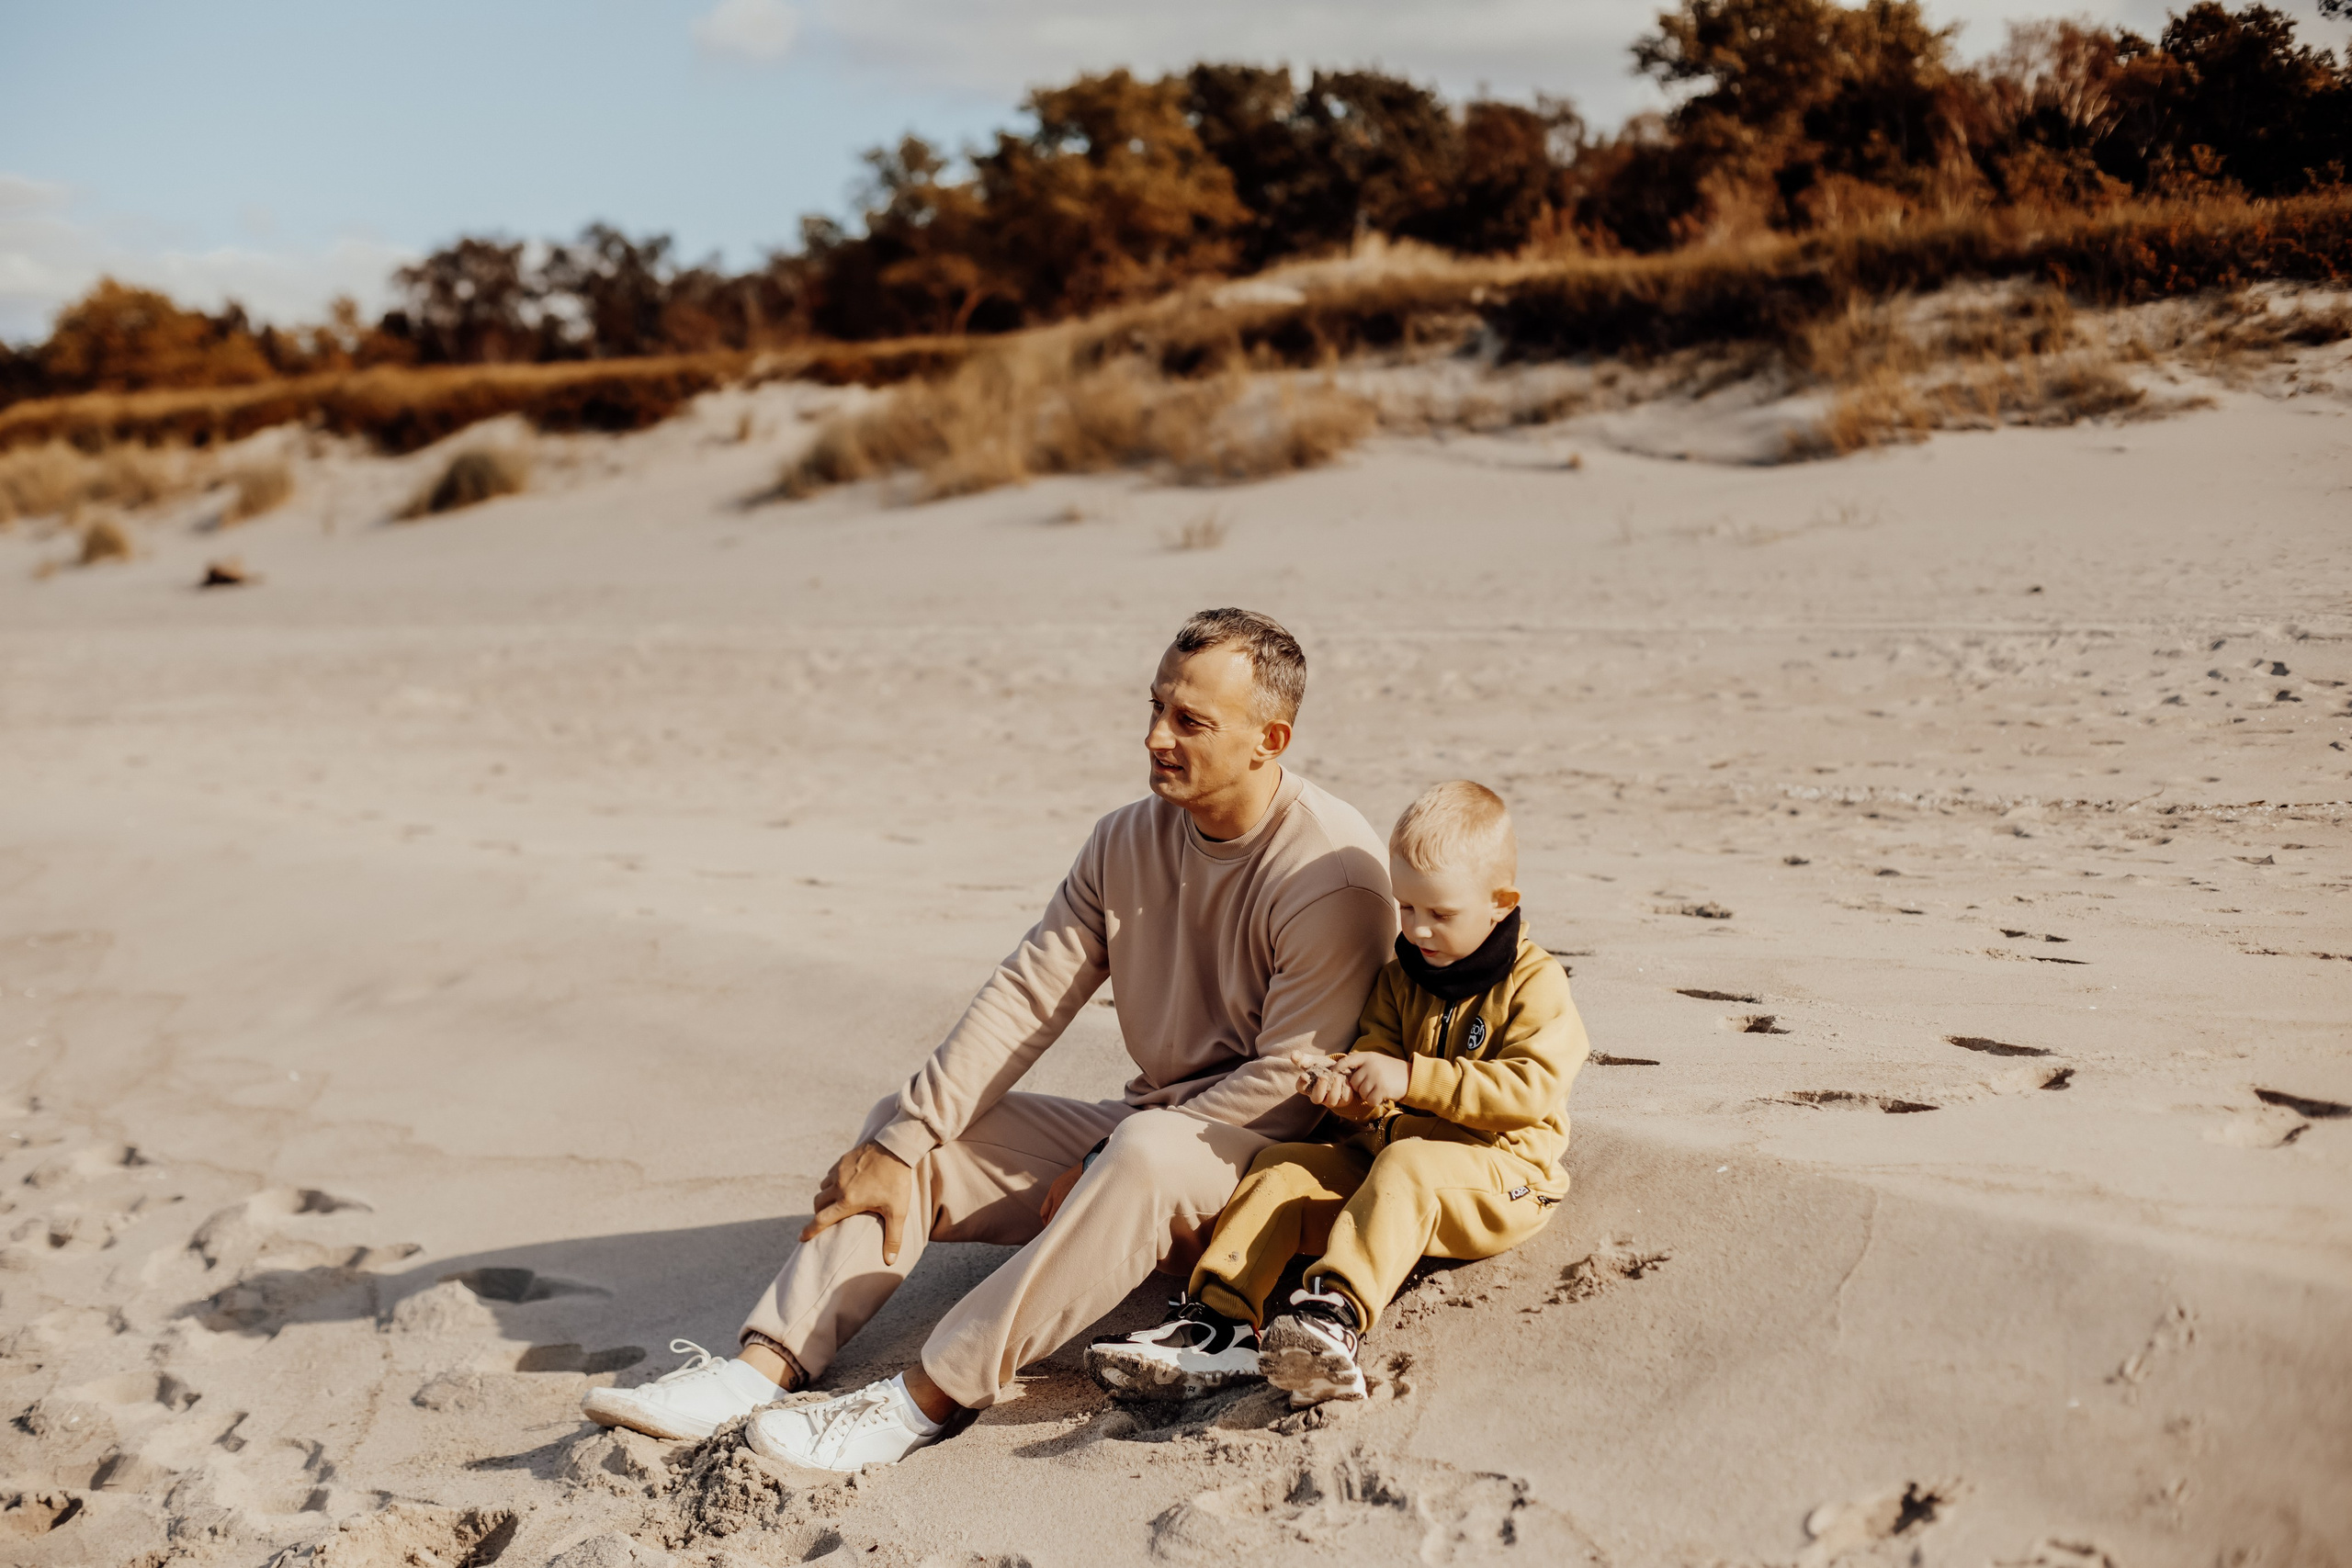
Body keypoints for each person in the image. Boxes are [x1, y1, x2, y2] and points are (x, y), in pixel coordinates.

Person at [582, 608, 1396, 1469]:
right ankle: (763, 1367)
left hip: (1268, 1177)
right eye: (1155, 706)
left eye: (1190, 721)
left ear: (1271, 738)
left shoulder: (1330, 871)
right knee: (914, 1126)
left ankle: (919, 1401)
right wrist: (904, 1138)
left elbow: (1287, 1091)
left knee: (1146, 1150)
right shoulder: (1126, 837)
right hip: (1143, 1135)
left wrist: (1101, 1164)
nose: (1156, 735)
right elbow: (1027, 993)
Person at [1084, 779, 1589, 1404]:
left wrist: (1412, 1076)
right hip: (1391, 1163)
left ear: (1500, 902)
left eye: (1440, 913)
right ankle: (1219, 1322)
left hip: (1504, 1174)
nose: (1419, 930)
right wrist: (1347, 1089)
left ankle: (1335, 1318)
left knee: (1409, 1165)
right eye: (1406, 909)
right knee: (1282, 1167)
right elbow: (1374, 1060)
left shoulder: (1533, 982)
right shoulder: (1401, 977)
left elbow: (1531, 1089)